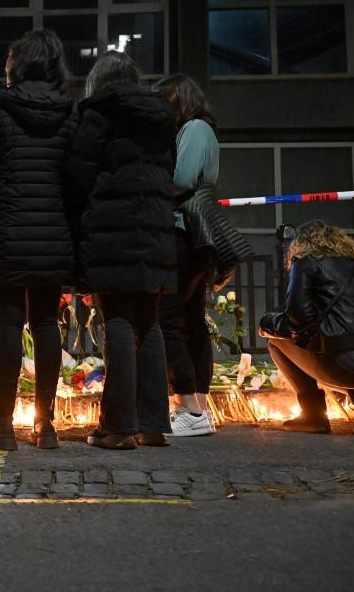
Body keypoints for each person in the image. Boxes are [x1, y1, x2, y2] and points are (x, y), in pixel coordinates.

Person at [0, 29, 78, 451]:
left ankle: (3, 427)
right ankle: (46, 426)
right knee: (48, 323)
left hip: (7, 228)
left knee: (8, 324)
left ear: (18, 64)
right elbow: (75, 172)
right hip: (53, 230)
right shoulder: (70, 112)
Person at [66, 51, 178, 449]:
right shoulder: (163, 119)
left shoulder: (99, 114)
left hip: (111, 232)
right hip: (156, 231)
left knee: (117, 319)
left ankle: (117, 427)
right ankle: (152, 424)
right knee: (149, 323)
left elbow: (79, 173)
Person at [259, 221, 354, 434]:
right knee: (342, 342)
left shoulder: (306, 260)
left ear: (301, 244)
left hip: (348, 362)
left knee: (277, 340)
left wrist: (267, 324)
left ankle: (313, 415)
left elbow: (298, 317)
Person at [153, 74, 221, 436]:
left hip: (183, 234)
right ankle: (199, 409)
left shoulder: (194, 129)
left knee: (168, 317)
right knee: (191, 321)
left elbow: (180, 178)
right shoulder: (202, 129)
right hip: (195, 237)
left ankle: (189, 408)